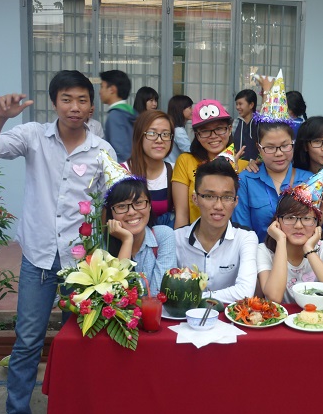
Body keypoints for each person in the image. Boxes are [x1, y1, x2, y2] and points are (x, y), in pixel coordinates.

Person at [0, 70, 115, 414]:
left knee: (79, 341)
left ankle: (74, 412)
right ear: (54, 102)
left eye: (82, 100)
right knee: (27, 340)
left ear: (91, 106)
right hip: (38, 257)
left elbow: (109, 205)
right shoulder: (33, 136)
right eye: (66, 99)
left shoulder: (102, 151)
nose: (74, 107)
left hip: (82, 264)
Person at [233, 69, 323, 241]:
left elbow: (319, 232)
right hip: (258, 255)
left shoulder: (308, 179)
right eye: (270, 147)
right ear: (259, 148)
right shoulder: (246, 180)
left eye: (285, 146)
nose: (279, 153)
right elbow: (241, 232)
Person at [174, 158, 258, 303]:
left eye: (227, 197)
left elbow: (245, 291)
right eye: (209, 196)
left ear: (236, 201)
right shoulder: (176, 238)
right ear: (195, 199)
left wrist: (193, 298)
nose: (219, 206)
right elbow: (168, 290)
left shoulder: (245, 237)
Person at [257, 191, 323, 305]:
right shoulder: (264, 251)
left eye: (307, 218)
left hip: (318, 314)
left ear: (316, 222)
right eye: (290, 218)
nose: (298, 225)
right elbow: (274, 298)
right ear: (277, 221)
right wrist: (281, 240)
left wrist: (309, 250)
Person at [172, 99, 247, 228]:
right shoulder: (185, 161)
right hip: (194, 236)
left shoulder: (245, 166)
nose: (213, 136)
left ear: (229, 129)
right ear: (197, 135)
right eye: (205, 131)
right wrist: (180, 240)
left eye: (219, 128)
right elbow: (181, 215)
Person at [104, 171, 176, 296]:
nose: (131, 212)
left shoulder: (163, 236)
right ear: (112, 212)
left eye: (138, 203)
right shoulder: (101, 243)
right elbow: (114, 296)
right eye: (121, 206)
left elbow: (159, 294)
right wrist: (127, 241)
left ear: (149, 206)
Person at [123, 110, 175, 227]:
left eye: (165, 134)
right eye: (152, 133)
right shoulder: (122, 172)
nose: (159, 140)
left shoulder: (175, 171)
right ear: (139, 136)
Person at [99, 69, 137, 163]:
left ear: (112, 89)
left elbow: (120, 152)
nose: (100, 91)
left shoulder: (115, 116)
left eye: (102, 86)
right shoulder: (131, 112)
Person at [232, 88, 259, 161]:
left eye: (240, 104)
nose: (237, 107)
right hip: (238, 164)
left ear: (251, 105)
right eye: (236, 104)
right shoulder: (235, 123)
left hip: (256, 165)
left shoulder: (259, 123)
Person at [166, 94, 193, 165]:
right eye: (190, 108)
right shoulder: (178, 130)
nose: (192, 111)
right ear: (180, 109)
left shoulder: (172, 127)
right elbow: (189, 151)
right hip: (174, 167)